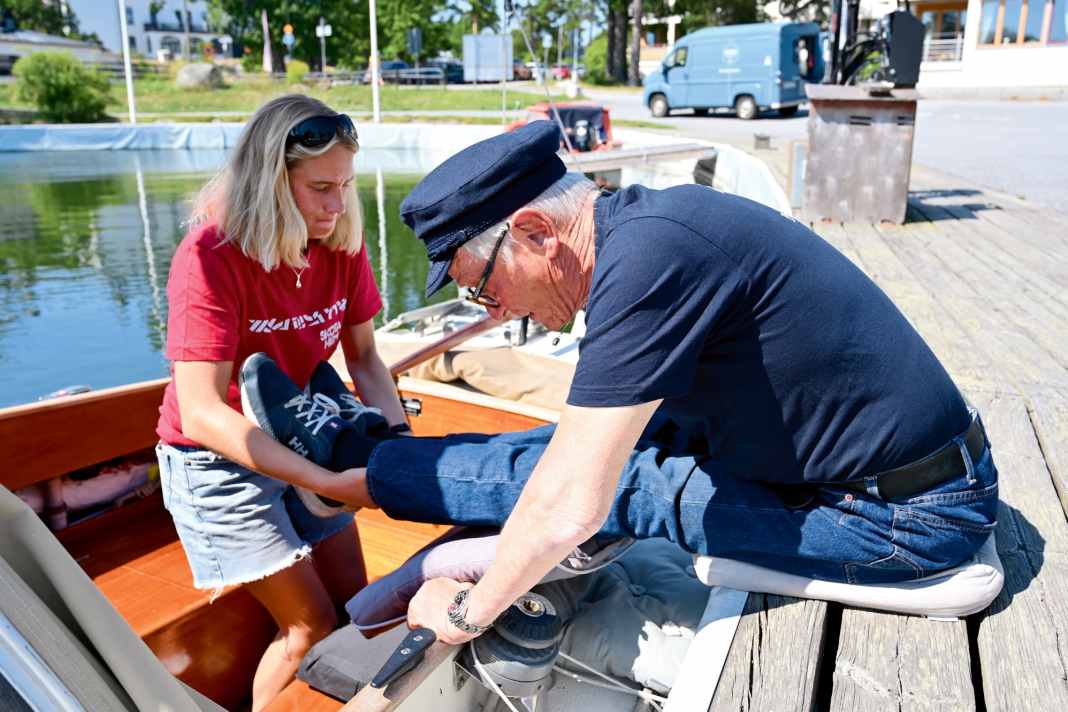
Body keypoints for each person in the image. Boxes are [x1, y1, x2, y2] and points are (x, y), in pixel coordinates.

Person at [245, 121, 998, 648]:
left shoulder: (647, 266)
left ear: (536, 231)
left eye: (484, 285)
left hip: (902, 522)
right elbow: (571, 458)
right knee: (561, 449)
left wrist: (467, 611)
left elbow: (575, 505)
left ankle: (348, 472)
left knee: (622, 486)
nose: (493, 309)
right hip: (871, 479)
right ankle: (358, 458)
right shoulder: (646, 229)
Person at [154, 94, 408, 710]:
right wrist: (322, 479)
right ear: (270, 181)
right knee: (311, 628)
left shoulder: (341, 243)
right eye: (320, 187)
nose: (337, 204)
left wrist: (401, 455)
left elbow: (366, 361)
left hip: (306, 438)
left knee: (360, 608)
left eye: (345, 185)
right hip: (216, 463)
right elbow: (203, 411)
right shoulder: (210, 258)